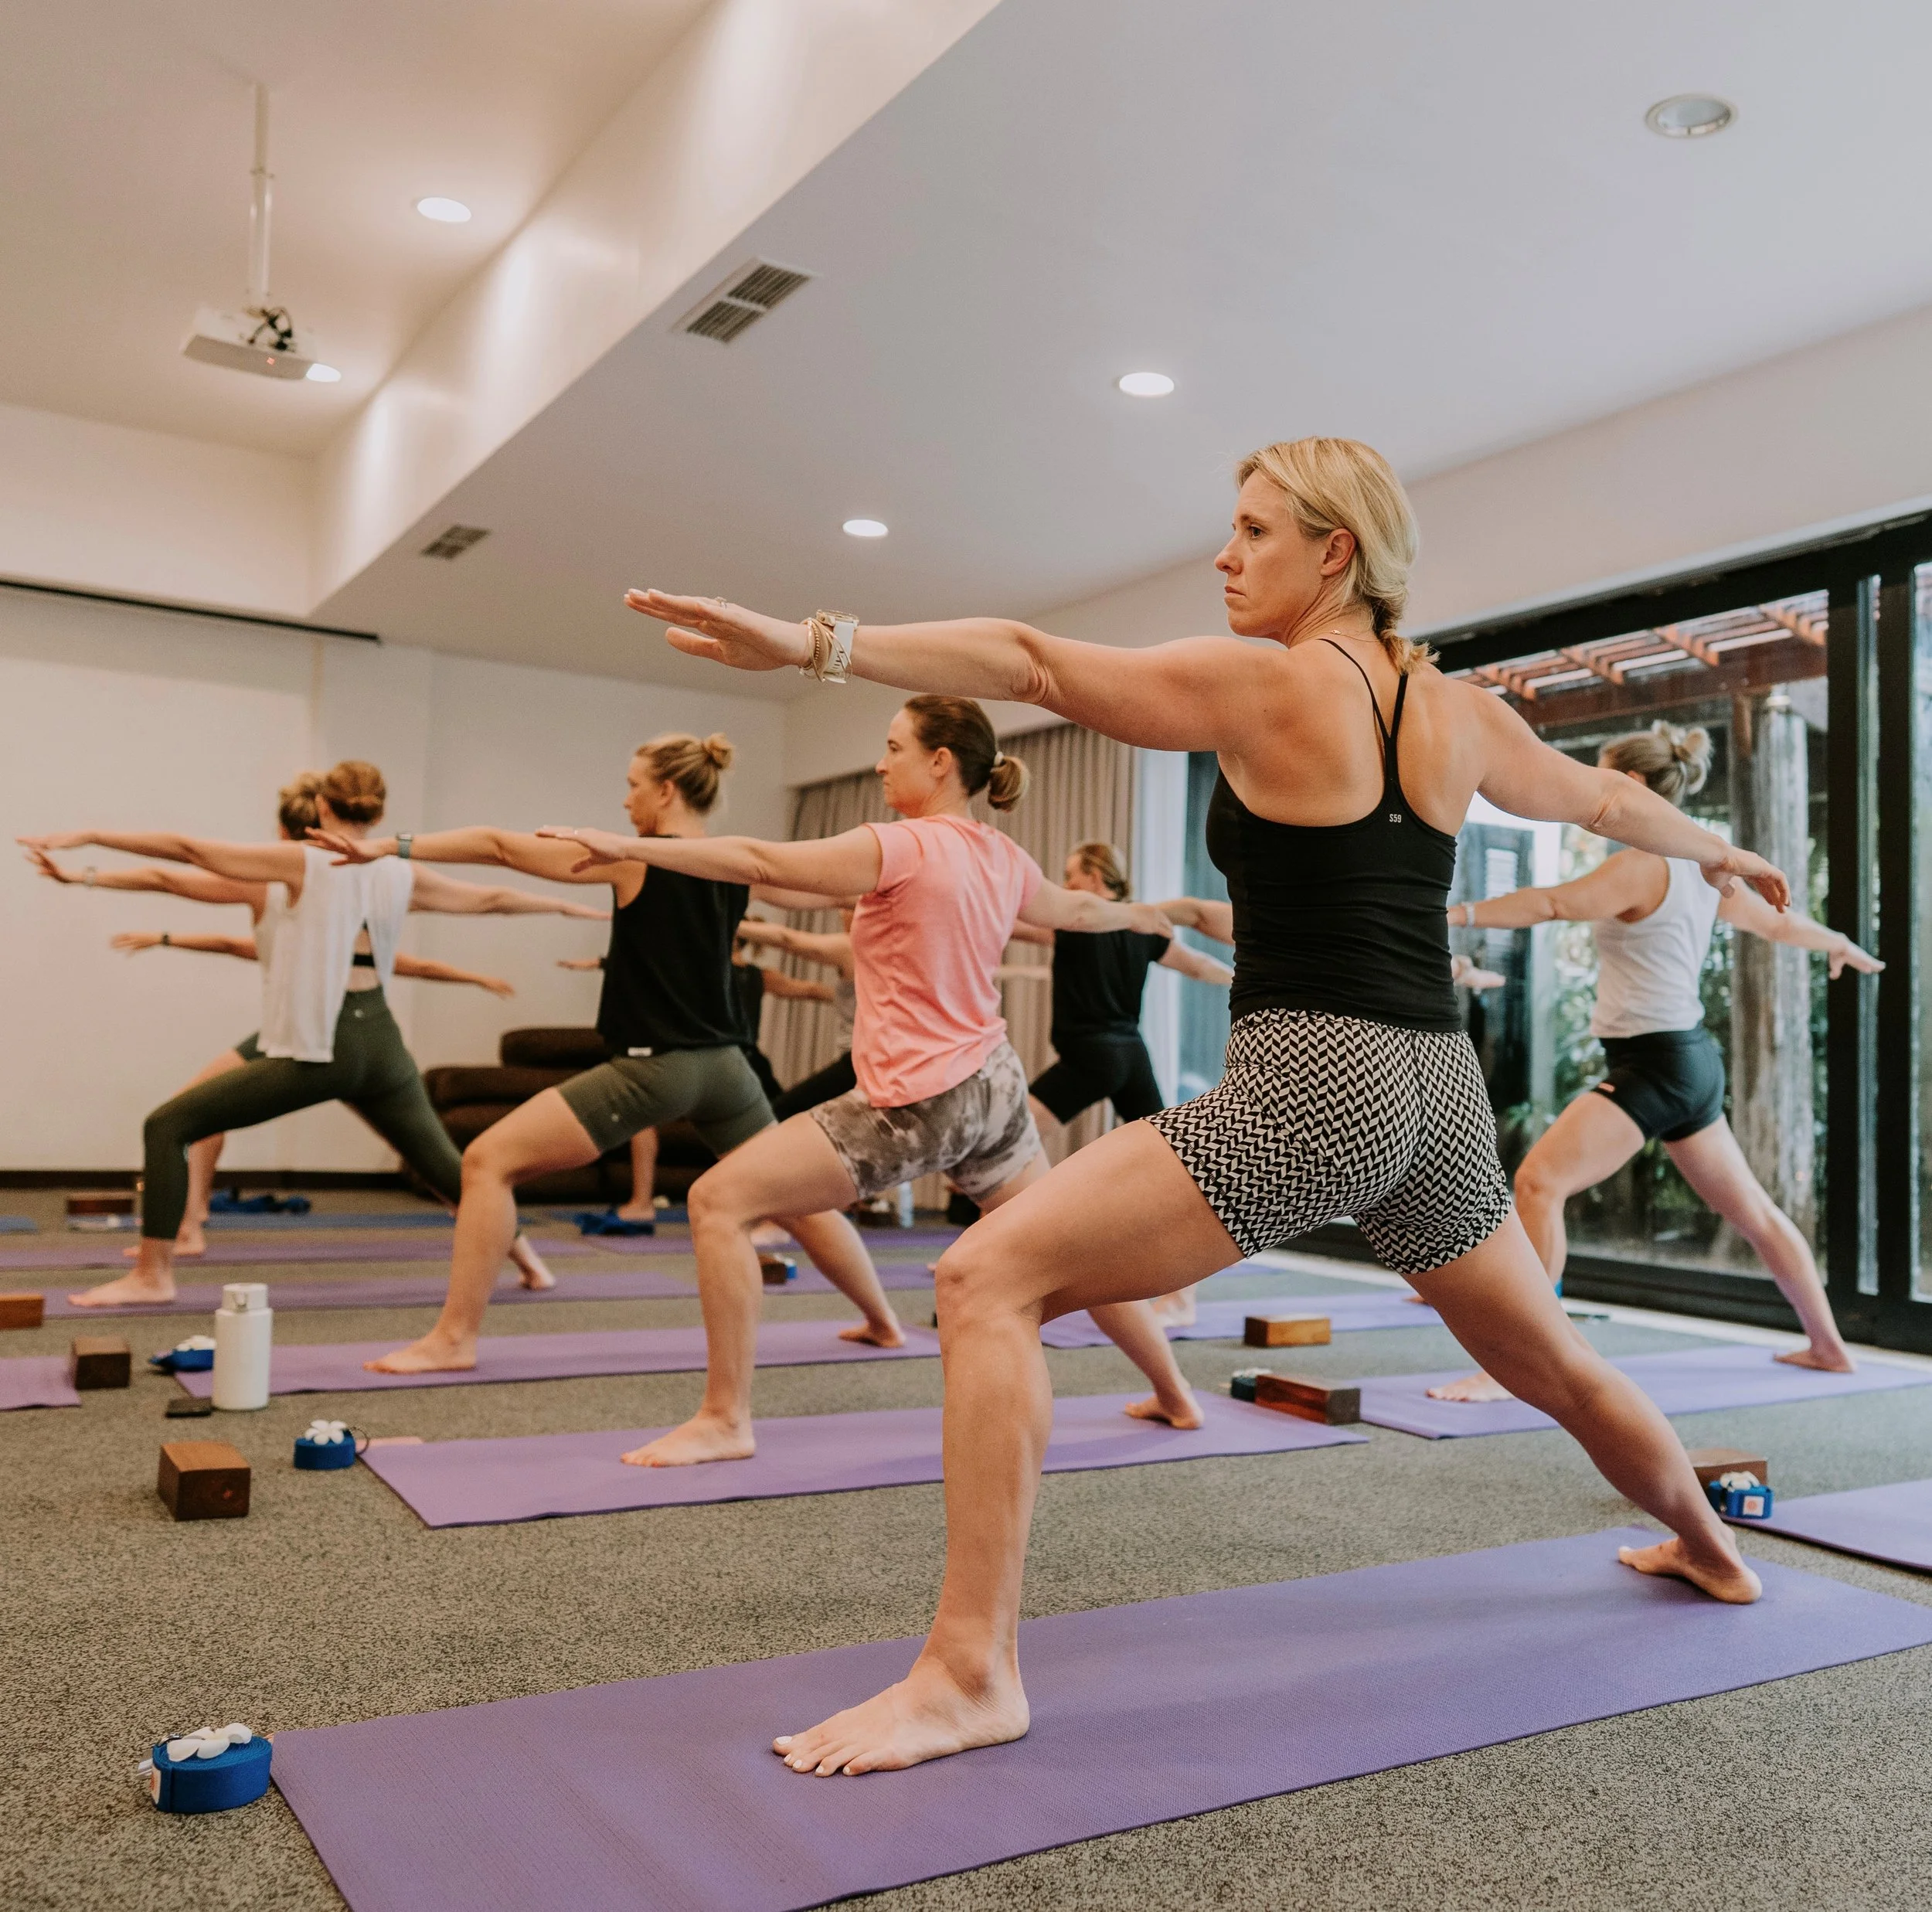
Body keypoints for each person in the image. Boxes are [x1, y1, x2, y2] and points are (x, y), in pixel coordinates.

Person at [621, 434, 1792, 1774]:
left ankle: (966, 1672)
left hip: (1319, 1076)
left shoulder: (1278, 680)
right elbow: (1600, 794)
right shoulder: (1455, 705)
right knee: (1555, 1366)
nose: (1226, 557)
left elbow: (1030, 662)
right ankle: (1711, 1545)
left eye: (1254, 532)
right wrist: (1724, 851)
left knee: (985, 1279)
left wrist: (813, 641)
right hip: (1438, 1082)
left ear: (1334, 551)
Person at [538, 696, 1206, 1468]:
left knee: (717, 1199)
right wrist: (1144, 918)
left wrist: (630, 846)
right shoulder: (999, 852)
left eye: (893, 747)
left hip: (918, 1100)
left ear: (940, 761)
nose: (881, 762)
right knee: (1063, 1248)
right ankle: (1175, 1392)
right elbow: (1083, 911)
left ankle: (725, 1418)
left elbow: (760, 863)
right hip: (992, 1089)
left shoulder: (901, 845)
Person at [309, 733, 900, 1374]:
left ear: (667, 790)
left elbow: (501, 846)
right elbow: (834, 888)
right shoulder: (733, 863)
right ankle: (884, 1321)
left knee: (485, 1162)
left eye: (634, 785)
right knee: (796, 1202)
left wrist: (389, 847)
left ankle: (455, 1338)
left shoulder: (635, 859)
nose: (626, 802)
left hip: (658, 1067)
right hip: (729, 1068)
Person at [1424, 721, 1876, 1403]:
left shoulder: (1641, 864)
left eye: (1599, 780)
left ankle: (1519, 1367)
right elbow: (1778, 924)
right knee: (1752, 1210)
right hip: (1689, 1061)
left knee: (1540, 1184)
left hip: (1654, 1066)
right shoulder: (1704, 866)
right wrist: (1838, 939)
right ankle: (1829, 1347)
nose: (1587, 797)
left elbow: (1551, 904)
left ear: (1630, 787)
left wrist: (1452, 916)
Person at [19, 762, 583, 1305]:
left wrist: (91, 838)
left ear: (321, 806)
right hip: (382, 1043)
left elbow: (183, 857)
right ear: (376, 810)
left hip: (327, 1046)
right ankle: (533, 1265)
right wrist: (562, 905)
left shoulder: (303, 862)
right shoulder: (398, 870)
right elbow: (492, 900)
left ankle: (153, 1274)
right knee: (445, 1167)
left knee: (167, 1125)